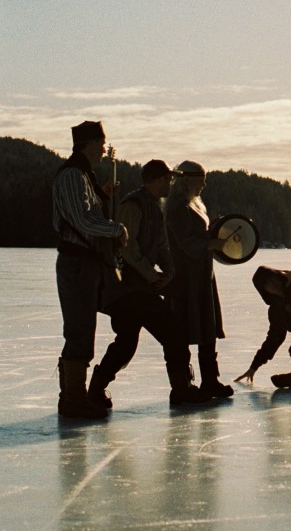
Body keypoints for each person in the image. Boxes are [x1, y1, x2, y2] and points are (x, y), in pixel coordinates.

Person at [87, 160, 212, 408]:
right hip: (128, 288)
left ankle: (97, 389)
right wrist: (150, 273)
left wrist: (168, 270)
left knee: (130, 341)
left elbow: (162, 246)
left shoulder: (155, 206)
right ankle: (180, 389)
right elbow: (127, 247)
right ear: (156, 180)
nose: (171, 183)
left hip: (142, 287)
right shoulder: (132, 205)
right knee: (166, 334)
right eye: (167, 179)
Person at [51, 120, 129, 418]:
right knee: (79, 329)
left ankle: (74, 396)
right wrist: (117, 229)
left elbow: (84, 213)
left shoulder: (81, 174)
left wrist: (102, 196)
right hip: (77, 263)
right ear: (89, 144)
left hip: (84, 263)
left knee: (82, 327)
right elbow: (83, 221)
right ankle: (72, 400)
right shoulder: (73, 175)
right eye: (100, 142)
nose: (103, 148)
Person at [164, 161, 233, 398]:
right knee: (182, 331)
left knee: (207, 329)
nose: (204, 183)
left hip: (202, 276)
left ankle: (210, 380)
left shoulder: (194, 206)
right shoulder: (177, 208)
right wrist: (212, 243)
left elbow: (195, 238)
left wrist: (212, 230)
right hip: (185, 278)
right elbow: (186, 243)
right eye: (201, 178)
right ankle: (183, 385)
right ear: (187, 179)